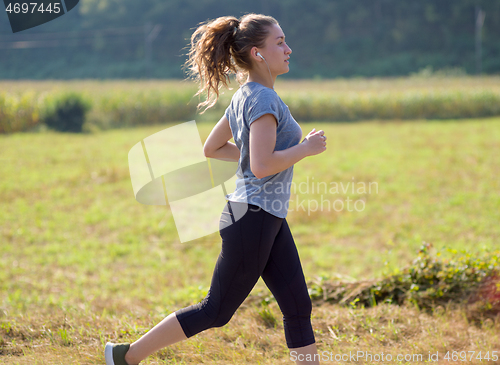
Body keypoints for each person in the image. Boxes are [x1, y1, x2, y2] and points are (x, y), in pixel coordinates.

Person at [105, 13, 327, 365]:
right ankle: (125, 356)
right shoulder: (265, 101)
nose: (288, 49)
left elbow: (213, 148)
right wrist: (305, 149)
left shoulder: (246, 95)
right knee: (216, 310)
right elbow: (262, 166)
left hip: (263, 215)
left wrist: (258, 153)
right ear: (257, 53)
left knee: (298, 305)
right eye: (280, 42)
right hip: (252, 217)